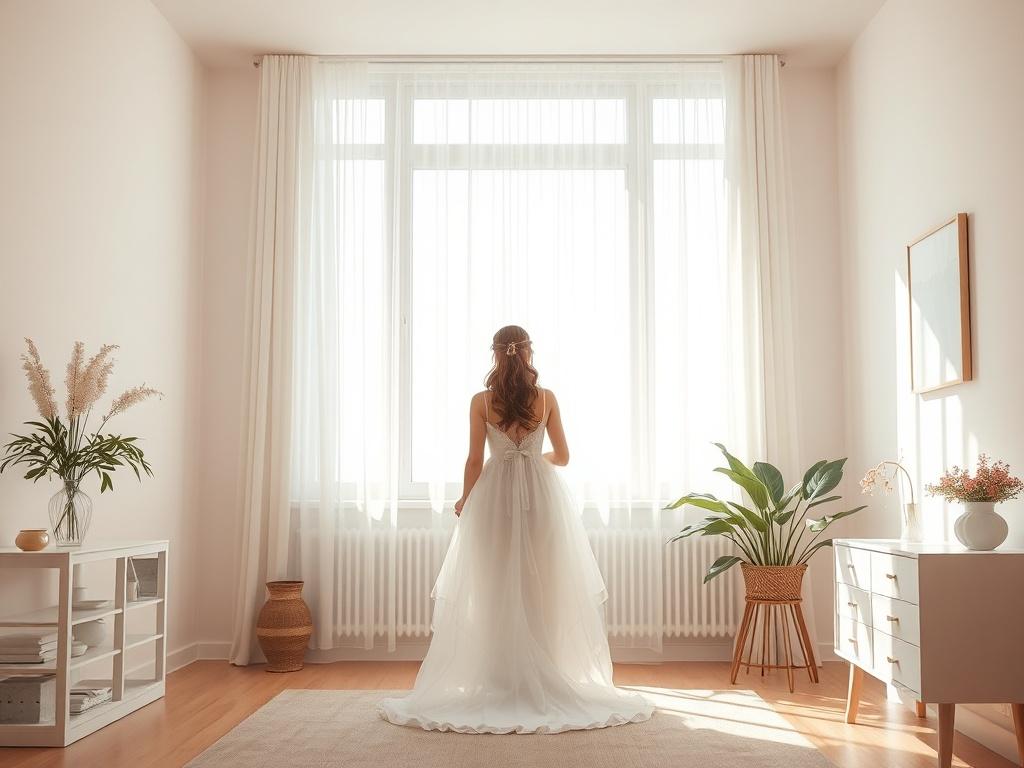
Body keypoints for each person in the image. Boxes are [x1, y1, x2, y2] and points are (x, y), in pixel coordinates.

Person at [378, 325, 653, 734]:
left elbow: (474, 461)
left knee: (494, 587)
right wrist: (533, 457)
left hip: (495, 502)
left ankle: (503, 678)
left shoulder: (481, 401)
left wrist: (464, 499)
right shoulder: (547, 398)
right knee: (541, 587)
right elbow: (563, 456)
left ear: (495, 354)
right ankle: (542, 674)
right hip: (543, 501)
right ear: (528, 352)